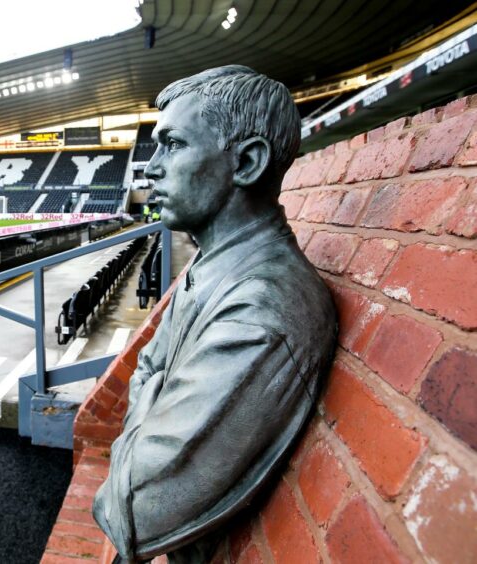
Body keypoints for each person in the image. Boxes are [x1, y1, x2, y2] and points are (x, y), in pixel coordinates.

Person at [92, 65, 337, 563]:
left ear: (246, 162)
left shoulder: (262, 311)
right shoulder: (215, 263)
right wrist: (151, 399)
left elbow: (133, 506)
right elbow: (146, 370)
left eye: (174, 144)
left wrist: (146, 408)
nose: (151, 168)